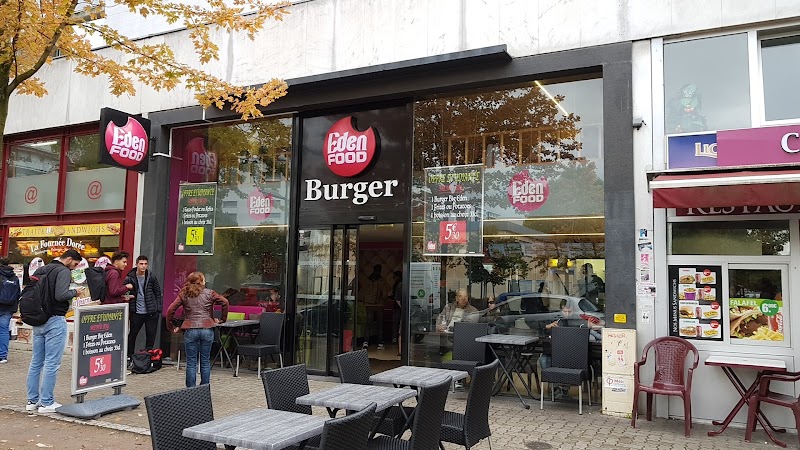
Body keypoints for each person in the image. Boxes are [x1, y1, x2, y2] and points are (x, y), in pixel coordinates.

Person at [26, 249, 86, 413]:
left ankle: (32, 401)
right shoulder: (63, 271)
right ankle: (46, 402)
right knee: (52, 363)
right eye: (74, 264)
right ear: (68, 259)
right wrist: (75, 292)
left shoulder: (41, 269)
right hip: (55, 319)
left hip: (38, 319)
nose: (74, 268)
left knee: (36, 362)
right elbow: (61, 295)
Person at [166, 271, 229, 387]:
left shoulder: (184, 294)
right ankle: (204, 389)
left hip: (190, 329)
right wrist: (222, 319)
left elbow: (170, 310)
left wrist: (171, 327)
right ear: (202, 282)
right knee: (205, 361)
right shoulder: (210, 293)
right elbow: (225, 302)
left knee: (191, 362)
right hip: (207, 328)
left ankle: (191, 391)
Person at [539, 298, 582, 400]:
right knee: (543, 360)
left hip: (569, 352)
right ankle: (555, 388)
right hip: (553, 351)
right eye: (564, 311)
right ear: (560, 310)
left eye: (569, 311)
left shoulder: (576, 320)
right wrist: (547, 327)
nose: (567, 314)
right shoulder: (555, 319)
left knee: (565, 362)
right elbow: (538, 329)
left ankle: (564, 389)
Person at [125, 256, 162, 362]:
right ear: (136, 264)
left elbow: (157, 292)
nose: (143, 266)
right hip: (136, 311)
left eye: (145, 264)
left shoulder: (151, 277)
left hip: (151, 311)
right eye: (141, 264)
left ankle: (148, 358)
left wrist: (158, 308)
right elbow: (123, 291)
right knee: (132, 334)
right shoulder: (130, 277)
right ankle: (129, 357)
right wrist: (129, 297)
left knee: (150, 335)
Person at [0, 257, 21, 364]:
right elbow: (18, 293)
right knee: (4, 331)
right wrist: (14, 308)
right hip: (8, 308)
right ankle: (3, 356)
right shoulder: (14, 277)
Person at [363, 264, 386, 350]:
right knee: (380, 324)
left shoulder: (367, 280)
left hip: (368, 304)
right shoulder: (381, 281)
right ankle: (380, 342)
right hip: (379, 304)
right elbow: (384, 294)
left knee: (368, 324)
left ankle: (366, 341)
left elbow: (363, 292)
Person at [388, 271, 402, 355]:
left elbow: (395, 297)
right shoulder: (401, 284)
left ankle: (394, 338)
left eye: (394, 277)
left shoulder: (398, 285)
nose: (393, 278)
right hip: (400, 308)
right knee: (399, 325)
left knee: (396, 324)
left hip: (398, 308)